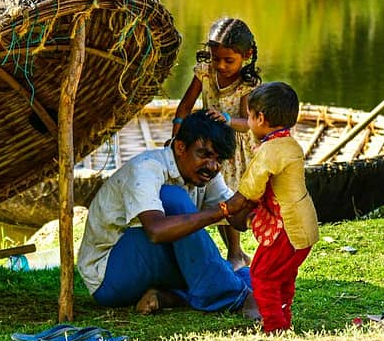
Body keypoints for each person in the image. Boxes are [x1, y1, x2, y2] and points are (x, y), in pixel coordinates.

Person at [77, 110, 260, 318]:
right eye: (204, 155)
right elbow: (155, 231)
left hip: (149, 264)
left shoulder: (204, 173)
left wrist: (251, 197)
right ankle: (236, 296)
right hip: (109, 276)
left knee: (252, 277)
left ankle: (170, 298)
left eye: (219, 160)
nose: (212, 166)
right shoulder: (147, 168)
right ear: (180, 147)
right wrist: (223, 209)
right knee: (173, 198)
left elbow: (236, 219)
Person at [217, 82, 319, 333]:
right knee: (283, 276)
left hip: (287, 228)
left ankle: (274, 327)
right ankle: (283, 321)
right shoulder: (289, 144)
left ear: (260, 118)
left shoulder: (271, 150)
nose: (248, 122)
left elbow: (250, 188)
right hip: (304, 223)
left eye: (249, 117)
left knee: (262, 274)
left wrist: (226, 209)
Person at [170, 17, 261, 271]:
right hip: (206, 148)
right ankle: (237, 253)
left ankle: (235, 253)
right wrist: (177, 134)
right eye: (215, 58)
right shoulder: (205, 73)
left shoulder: (247, 84)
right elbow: (185, 107)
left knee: (228, 199)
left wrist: (228, 119)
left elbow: (250, 123)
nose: (220, 65)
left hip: (231, 152)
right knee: (215, 200)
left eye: (228, 60)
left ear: (247, 55)